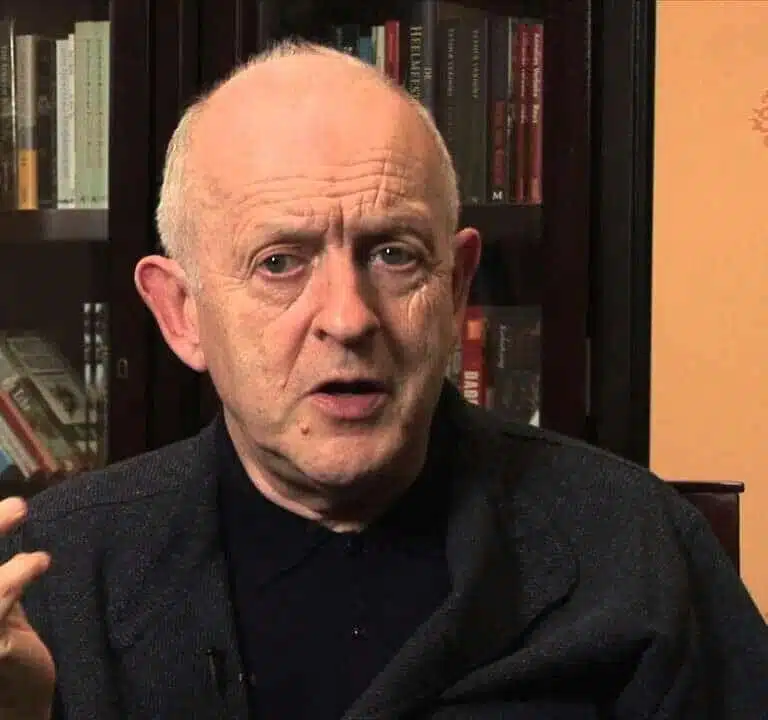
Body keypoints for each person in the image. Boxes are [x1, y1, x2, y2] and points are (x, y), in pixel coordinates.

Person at [1, 40, 767, 720]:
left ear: (457, 285)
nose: (348, 317)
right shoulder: (52, 576)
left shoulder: (637, 547)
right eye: (280, 262)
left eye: (394, 254)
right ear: (181, 313)